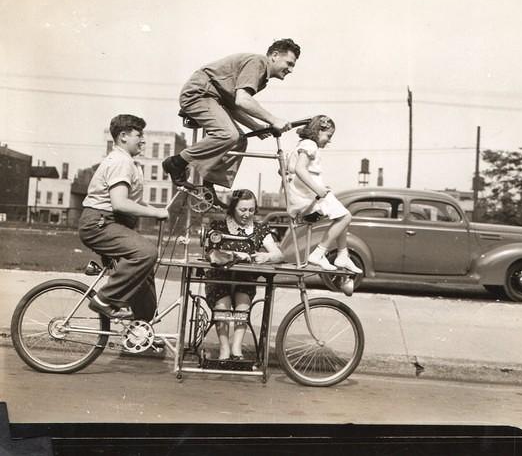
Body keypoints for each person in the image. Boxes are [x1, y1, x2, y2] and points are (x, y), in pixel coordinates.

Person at [162, 38, 302, 205]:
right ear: (274, 55)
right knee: (228, 134)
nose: (291, 70)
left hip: (214, 99)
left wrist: (257, 127)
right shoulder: (257, 63)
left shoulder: (262, 77)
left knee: (239, 140)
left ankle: (208, 187)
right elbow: (243, 101)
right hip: (199, 94)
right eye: (289, 63)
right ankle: (176, 163)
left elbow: (234, 106)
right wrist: (273, 119)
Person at [79, 114, 169, 321]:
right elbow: (120, 203)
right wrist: (156, 212)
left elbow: (129, 201)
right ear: (123, 136)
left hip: (108, 223)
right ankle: (105, 299)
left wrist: (155, 209)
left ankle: (142, 330)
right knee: (146, 253)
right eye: (139, 135)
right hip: (100, 223)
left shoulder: (126, 161)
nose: (143, 140)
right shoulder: (121, 161)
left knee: (143, 273)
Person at [203, 189, 283, 360]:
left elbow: (279, 254)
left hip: (244, 280)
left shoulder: (259, 229)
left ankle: (236, 348)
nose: (247, 214)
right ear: (233, 209)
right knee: (222, 305)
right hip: (219, 278)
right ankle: (224, 348)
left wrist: (267, 256)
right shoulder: (219, 226)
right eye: (243, 210)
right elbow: (210, 252)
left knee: (243, 305)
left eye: (251, 210)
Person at [286, 115, 363, 275]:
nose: (329, 141)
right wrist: (318, 190)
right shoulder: (310, 144)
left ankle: (343, 254)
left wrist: (318, 186)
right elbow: (300, 169)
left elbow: (292, 171)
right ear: (318, 130)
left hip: (304, 196)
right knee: (345, 217)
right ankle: (319, 253)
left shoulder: (301, 145)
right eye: (328, 136)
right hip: (308, 198)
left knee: (341, 216)